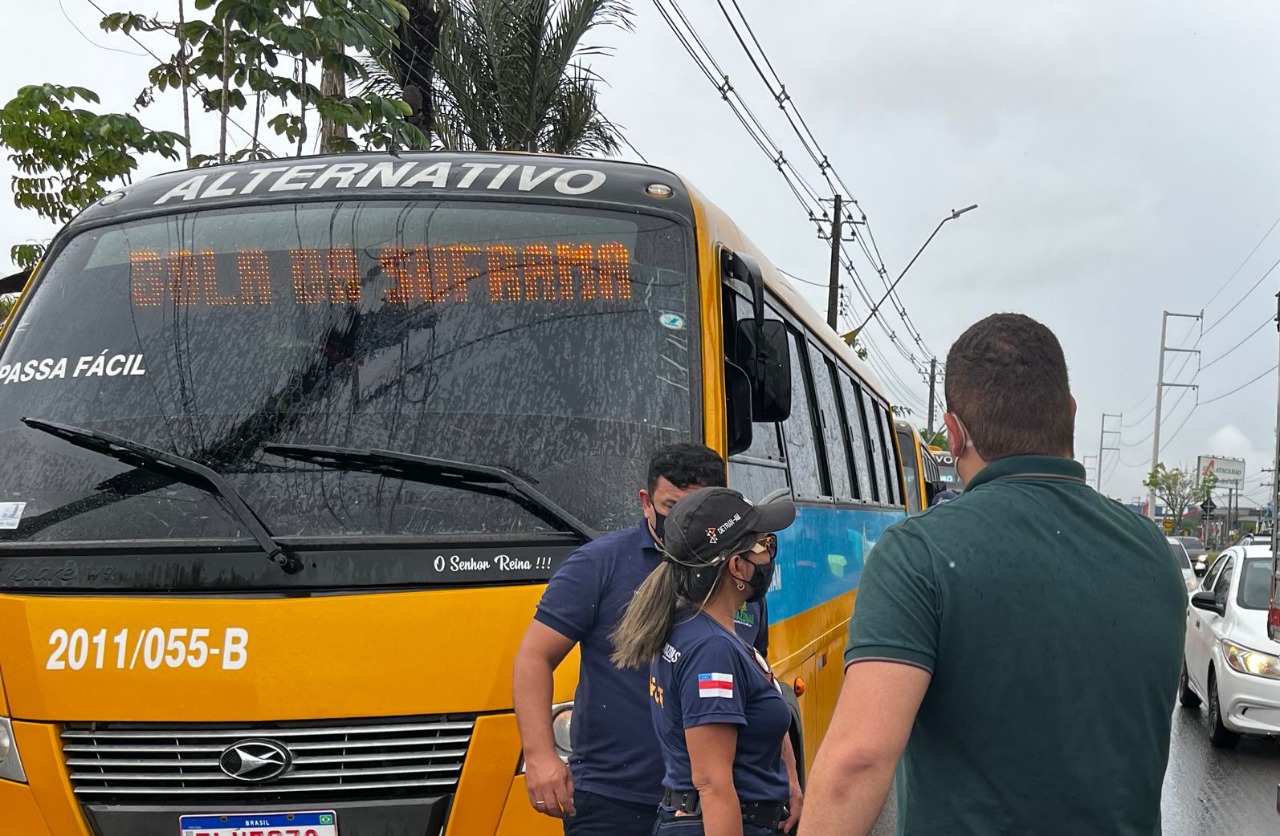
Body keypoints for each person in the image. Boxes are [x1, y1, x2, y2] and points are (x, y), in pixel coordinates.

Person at [800, 313, 1187, 836]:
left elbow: (857, 763)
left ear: (955, 433)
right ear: (1069, 413)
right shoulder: (1154, 552)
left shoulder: (920, 553)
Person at [513, 444, 769, 835]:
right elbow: (534, 656)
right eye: (671, 507)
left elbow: (759, 682)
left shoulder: (740, 581)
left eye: (696, 509)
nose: (682, 521)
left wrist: (787, 780)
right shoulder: (597, 565)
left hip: (714, 807)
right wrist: (541, 756)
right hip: (614, 798)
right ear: (646, 502)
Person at [612, 487, 803, 835]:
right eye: (763, 546)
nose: (769, 555)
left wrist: (787, 780)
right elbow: (713, 785)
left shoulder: (691, 626)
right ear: (737, 567)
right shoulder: (711, 650)